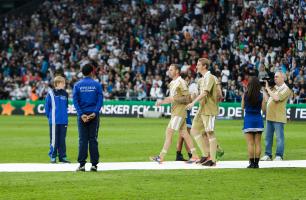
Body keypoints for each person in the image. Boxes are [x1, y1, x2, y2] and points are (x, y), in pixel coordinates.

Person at [150, 64, 199, 163]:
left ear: (177, 71)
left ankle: (161, 156)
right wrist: (162, 102)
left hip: (179, 112)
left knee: (169, 132)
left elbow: (188, 98)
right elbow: (171, 99)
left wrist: (173, 99)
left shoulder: (181, 82)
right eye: (169, 69)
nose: (169, 71)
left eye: (171, 70)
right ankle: (195, 156)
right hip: (176, 111)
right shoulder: (173, 83)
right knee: (184, 133)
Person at [186, 58, 220, 166]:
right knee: (194, 130)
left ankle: (213, 160)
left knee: (209, 132)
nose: (196, 66)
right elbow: (201, 94)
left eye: (198, 64)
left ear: (204, 66)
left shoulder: (210, 77)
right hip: (202, 109)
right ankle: (206, 155)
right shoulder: (202, 79)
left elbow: (205, 93)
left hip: (209, 110)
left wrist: (193, 103)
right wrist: (193, 95)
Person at [73, 64, 103, 171]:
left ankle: (81, 165)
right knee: (93, 139)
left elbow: (75, 101)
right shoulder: (97, 85)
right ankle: (94, 164)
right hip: (93, 116)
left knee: (82, 140)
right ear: (92, 72)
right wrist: (94, 112)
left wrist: (81, 114)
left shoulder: (77, 85)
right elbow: (100, 100)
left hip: (82, 116)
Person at [261, 71, 291, 161]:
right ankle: (268, 155)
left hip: (278, 117)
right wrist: (264, 90)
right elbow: (267, 99)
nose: (275, 78)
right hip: (269, 116)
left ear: (283, 78)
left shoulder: (286, 88)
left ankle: (279, 155)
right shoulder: (274, 88)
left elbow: (277, 98)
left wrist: (268, 88)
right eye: (274, 77)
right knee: (268, 137)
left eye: (277, 77)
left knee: (279, 138)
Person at [241, 76, 267, 168]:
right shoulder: (261, 95)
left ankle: (251, 163)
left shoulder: (245, 94)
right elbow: (264, 109)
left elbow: (242, 107)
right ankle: (256, 164)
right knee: (258, 143)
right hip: (258, 120)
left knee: (250, 143)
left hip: (248, 120)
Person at [45, 76, 70, 163]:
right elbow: (47, 108)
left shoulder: (65, 94)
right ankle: (53, 156)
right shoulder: (50, 93)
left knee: (62, 140)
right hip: (54, 121)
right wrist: (51, 118)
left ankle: (63, 157)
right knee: (54, 140)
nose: (64, 84)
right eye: (63, 83)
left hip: (64, 120)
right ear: (57, 83)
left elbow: (66, 106)